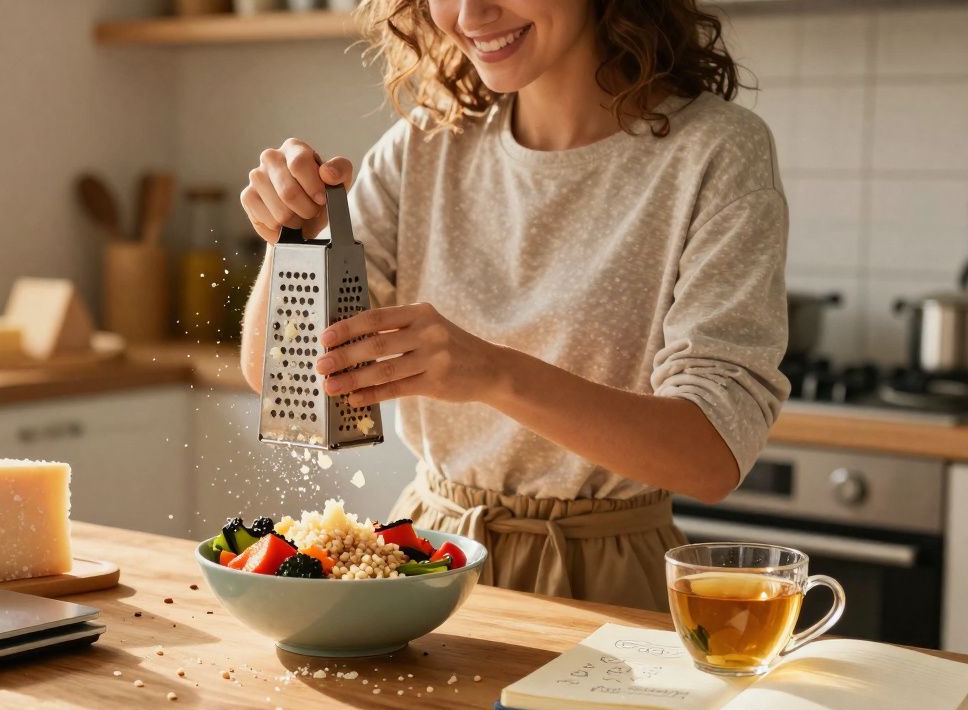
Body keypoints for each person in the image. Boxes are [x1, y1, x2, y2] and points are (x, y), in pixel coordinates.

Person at [237, 0, 789, 611]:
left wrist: (494, 374)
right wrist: (296, 241)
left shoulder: (717, 152)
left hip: (605, 584)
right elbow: (287, 381)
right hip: (422, 562)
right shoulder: (424, 144)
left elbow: (710, 458)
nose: (471, 12)